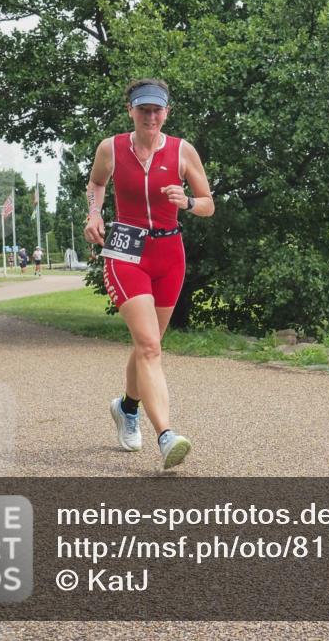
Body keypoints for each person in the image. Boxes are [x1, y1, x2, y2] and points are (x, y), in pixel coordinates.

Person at [83, 78, 214, 470]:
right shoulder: (111, 148)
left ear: (166, 113)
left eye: (157, 110)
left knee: (148, 345)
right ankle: (166, 435)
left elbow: (208, 204)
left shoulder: (181, 151)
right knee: (150, 347)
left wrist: (187, 201)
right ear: (131, 111)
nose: (151, 116)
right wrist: (93, 213)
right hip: (126, 250)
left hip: (169, 253)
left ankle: (126, 407)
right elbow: (95, 183)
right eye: (143, 109)